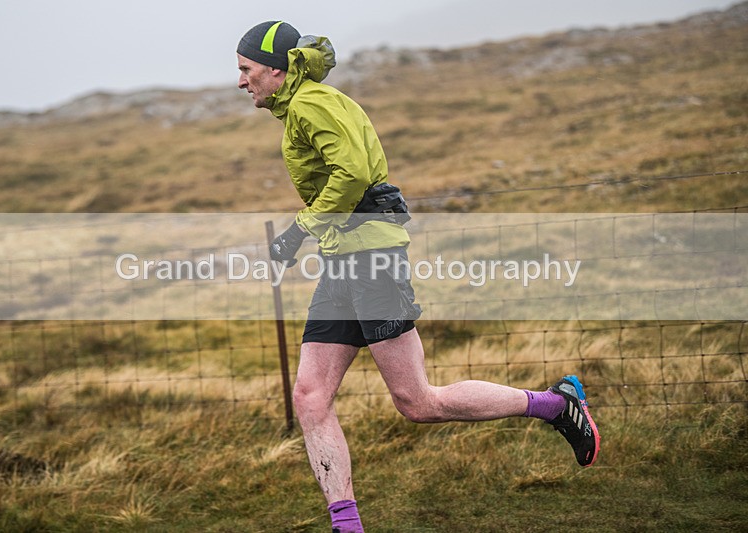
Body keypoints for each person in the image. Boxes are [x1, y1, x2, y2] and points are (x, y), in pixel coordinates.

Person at [236, 21, 600, 533]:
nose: (241, 81)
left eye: (246, 70)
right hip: (344, 258)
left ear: (274, 68)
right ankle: (347, 526)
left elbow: (354, 175)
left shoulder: (312, 104)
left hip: (371, 259)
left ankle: (556, 406)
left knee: (417, 402)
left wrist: (299, 230)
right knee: (310, 397)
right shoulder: (303, 105)